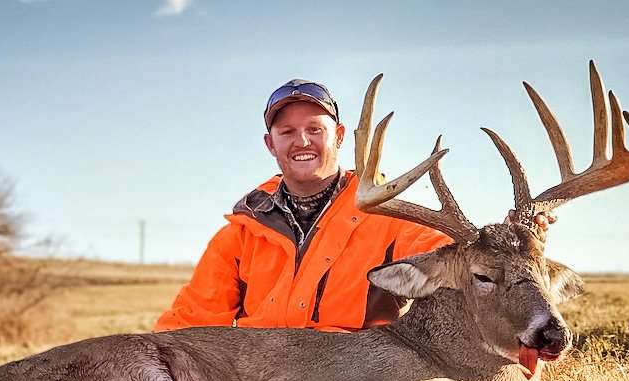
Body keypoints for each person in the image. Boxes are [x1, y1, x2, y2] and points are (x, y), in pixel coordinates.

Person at [154, 79, 452, 333]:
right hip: (260, 379)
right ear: (271, 144)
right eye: (287, 132)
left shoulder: (388, 219)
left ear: (339, 136)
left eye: (315, 129)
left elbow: (450, 258)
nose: (302, 141)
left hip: (353, 378)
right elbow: (192, 321)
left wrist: (489, 245)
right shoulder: (242, 234)